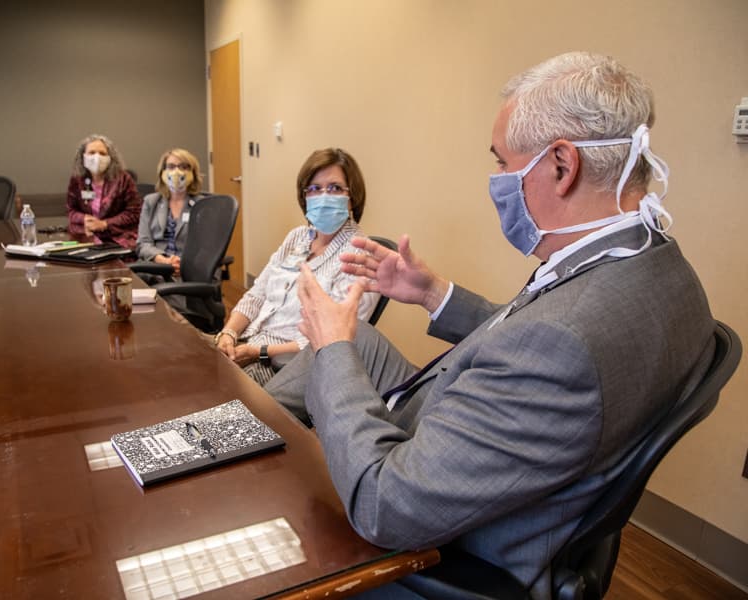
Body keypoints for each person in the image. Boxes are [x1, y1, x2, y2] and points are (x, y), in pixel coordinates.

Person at [265, 52, 714, 598]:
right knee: (363, 342)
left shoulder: (562, 347)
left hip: (435, 527)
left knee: (335, 349)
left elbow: (387, 506)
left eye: (503, 163)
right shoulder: (654, 263)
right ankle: (250, 427)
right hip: (481, 433)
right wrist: (432, 294)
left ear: (561, 166)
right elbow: (535, 326)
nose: (497, 179)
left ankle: (247, 453)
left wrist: (333, 345)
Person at [215, 147, 380, 386]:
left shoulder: (361, 256)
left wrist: (257, 351)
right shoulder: (297, 237)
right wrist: (229, 333)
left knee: (214, 400)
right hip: (246, 342)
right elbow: (257, 294)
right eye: (314, 188)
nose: (323, 195)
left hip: (284, 363)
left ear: (352, 196)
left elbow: (333, 338)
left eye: (334, 188)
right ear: (304, 196)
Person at [136, 148, 207, 275]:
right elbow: (143, 243)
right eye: (171, 167)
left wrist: (182, 264)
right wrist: (162, 260)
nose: (177, 172)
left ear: (193, 173)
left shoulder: (203, 206)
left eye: (184, 167)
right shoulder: (151, 202)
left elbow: (206, 248)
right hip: (155, 268)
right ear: (162, 172)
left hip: (188, 271)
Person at [66, 134, 142, 249]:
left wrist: (105, 224)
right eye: (92, 153)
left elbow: (134, 213)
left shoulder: (123, 179)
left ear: (110, 158)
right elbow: (71, 210)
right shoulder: (77, 180)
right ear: (83, 156)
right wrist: (84, 218)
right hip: (85, 238)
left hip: (118, 239)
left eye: (102, 153)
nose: (97, 157)